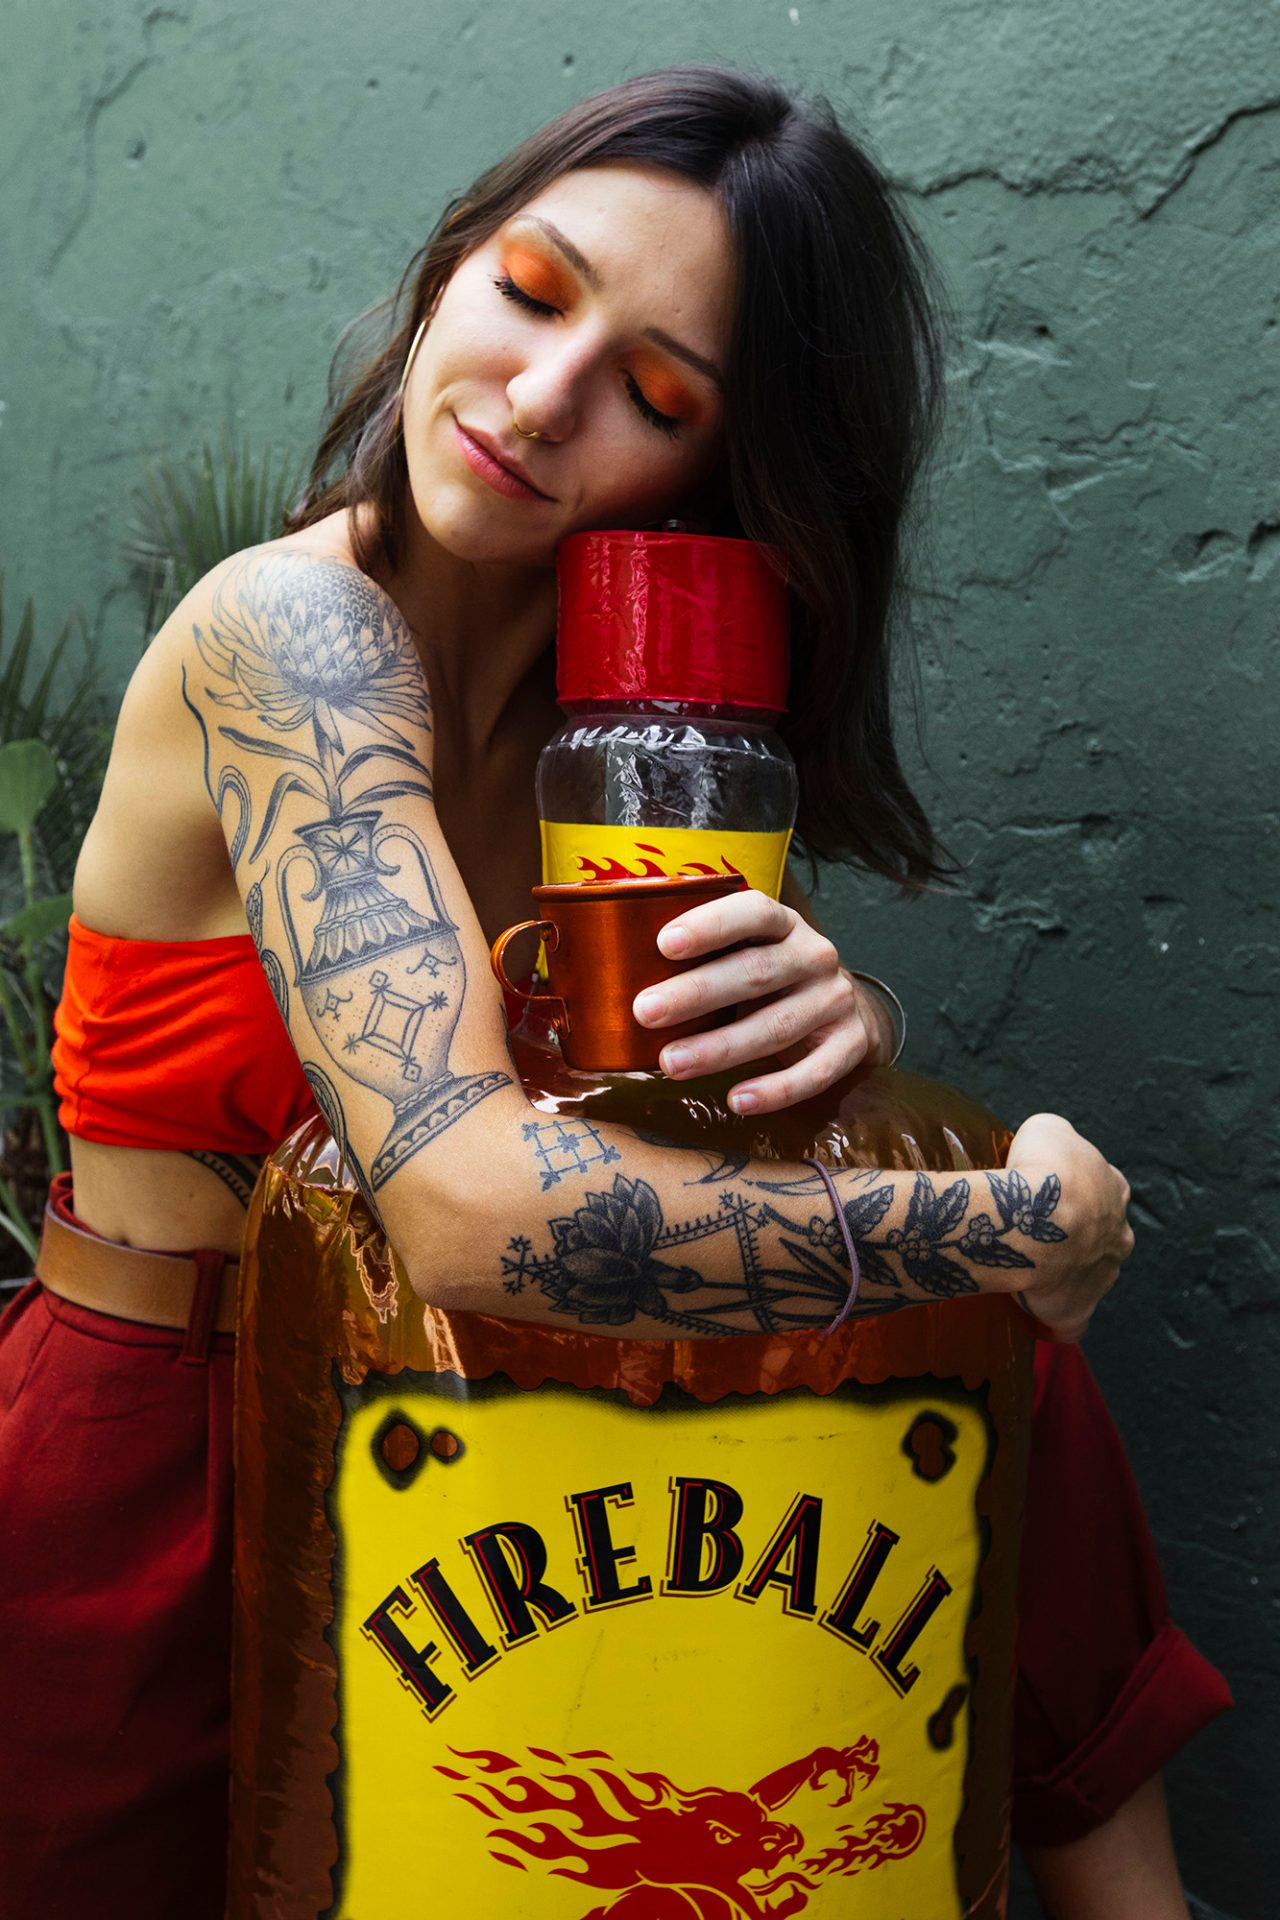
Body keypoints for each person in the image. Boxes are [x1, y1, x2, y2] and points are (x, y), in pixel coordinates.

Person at [0, 63, 1227, 1920]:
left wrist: (832, 1034)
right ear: (450, 271)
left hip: (481, 1439)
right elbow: (469, 1208)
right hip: (172, 1476)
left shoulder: (647, 744)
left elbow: (650, 1165)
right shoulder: (291, 634)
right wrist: (996, 1227)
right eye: (528, 289)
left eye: (655, 395)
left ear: (721, 473)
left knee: (1014, 1399)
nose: (537, 398)